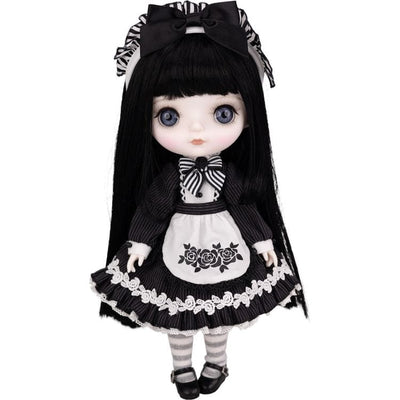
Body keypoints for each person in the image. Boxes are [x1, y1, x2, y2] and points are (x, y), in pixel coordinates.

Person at [89, 1, 308, 398]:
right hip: (178, 247)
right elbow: (154, 209)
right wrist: (139, 242)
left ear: (249, 114)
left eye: (223, 113)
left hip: (226, 247)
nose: (196, 130)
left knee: (221, 313)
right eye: (169, 116)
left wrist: (262, 240)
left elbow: (243, 206)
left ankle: (217, 363)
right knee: (178, 316)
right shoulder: (171, 177)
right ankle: (181, 369)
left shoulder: (230, 174)